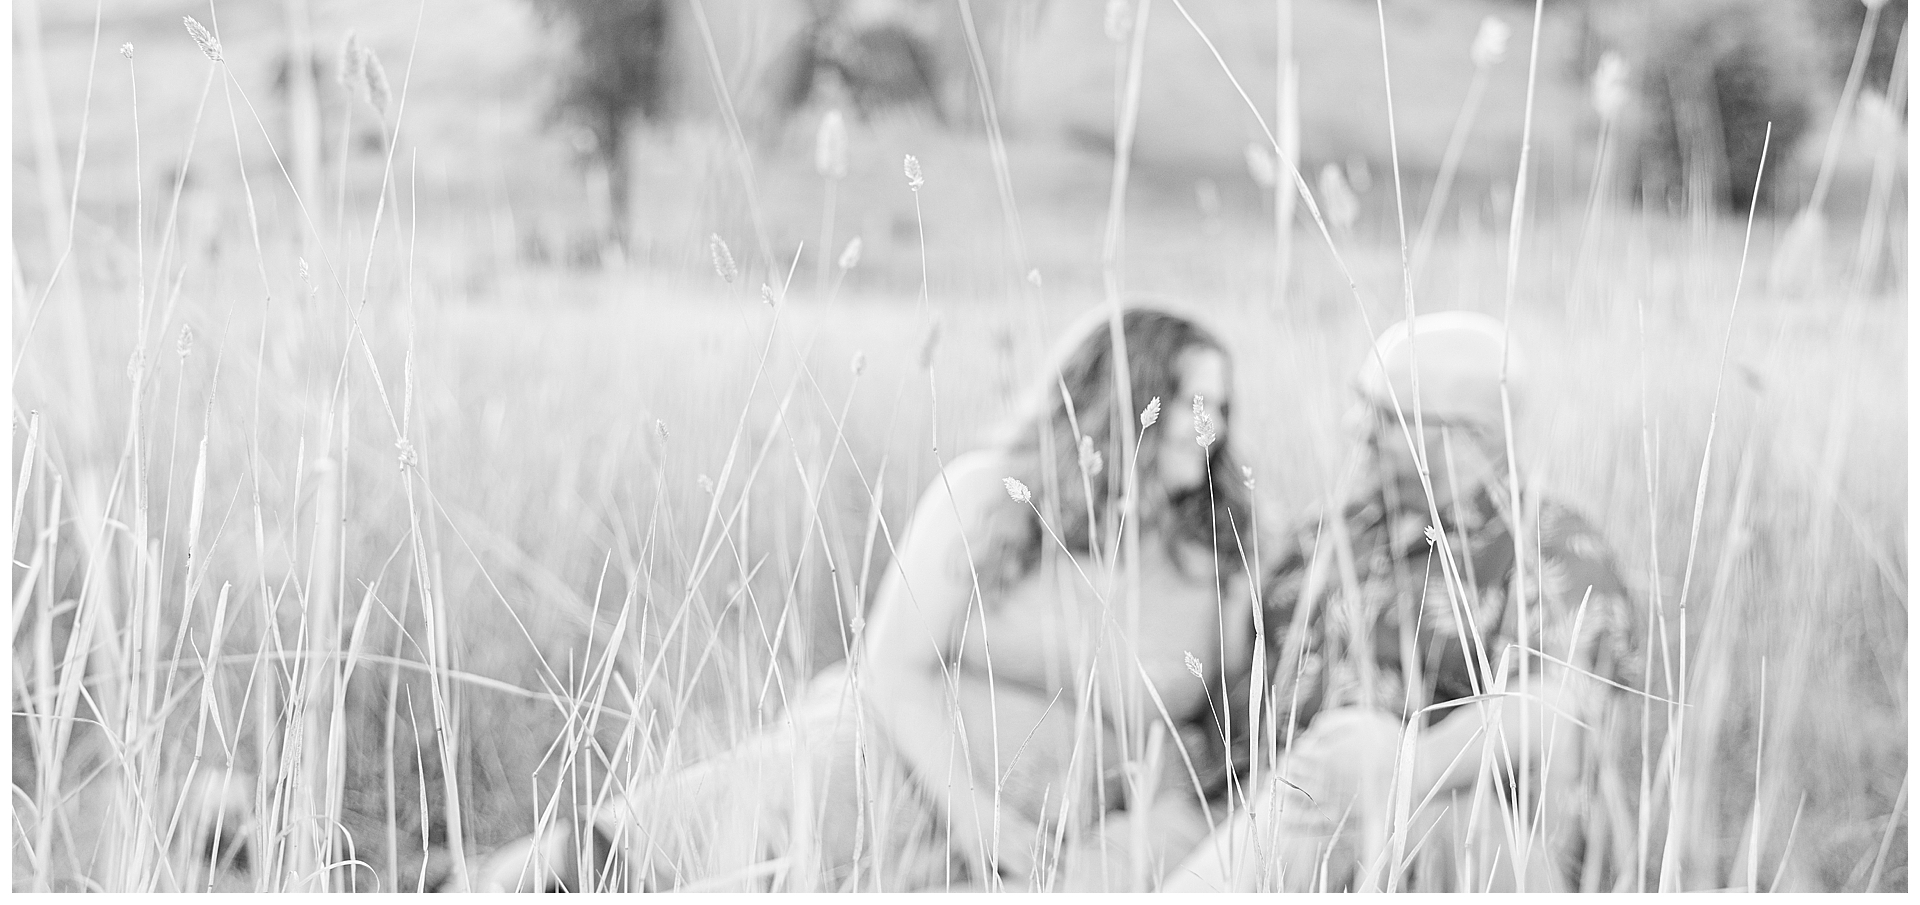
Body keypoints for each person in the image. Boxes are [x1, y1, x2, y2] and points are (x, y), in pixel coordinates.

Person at [466, 301, 1256, 892]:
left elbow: (1207, 735)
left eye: (1221, 409)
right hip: (889, 756)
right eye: (1192, 401)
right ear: (1128, 394)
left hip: (1036, 813)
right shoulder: (993, 496)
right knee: (673, 849)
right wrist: (973, 815)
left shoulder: (1212, 566)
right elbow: (894, 667)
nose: (1209, 426)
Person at [1166, 311, 1640, 893]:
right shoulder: (1334, 527)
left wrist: (1391, 772)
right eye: (1359, 403)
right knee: (1125, 843)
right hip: (1258, 810)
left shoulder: (1550, 547)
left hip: (1453, 838)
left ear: (1473, 439)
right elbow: (1237, 663)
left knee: (1357, 746)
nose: (1354, 426)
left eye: (1386, 415)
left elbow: (1552, 709)